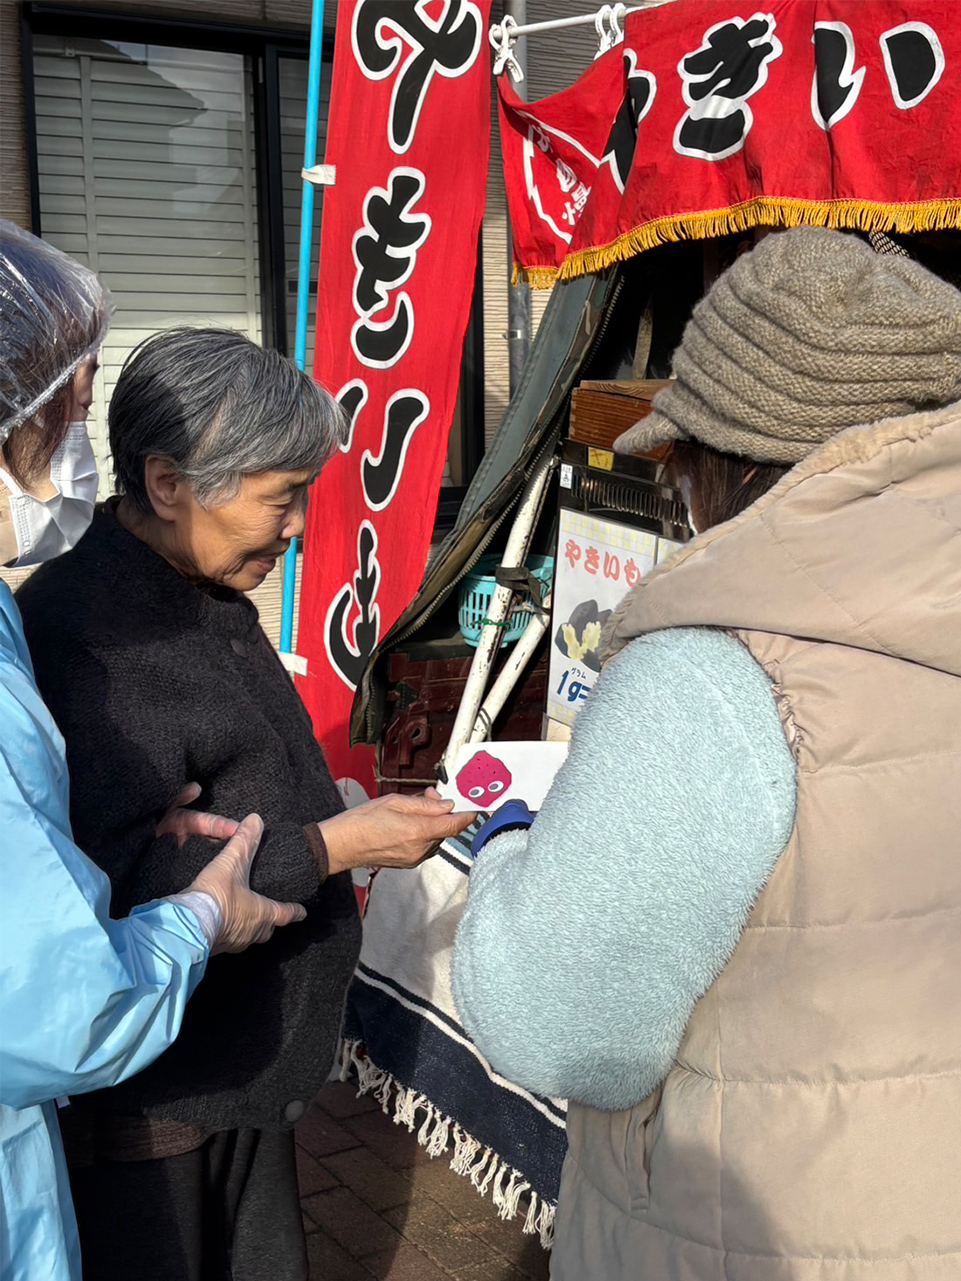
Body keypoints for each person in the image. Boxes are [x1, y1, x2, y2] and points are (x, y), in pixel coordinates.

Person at [451, 227, 961, 1279]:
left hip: (766, 1229)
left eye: (682, 463)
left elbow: (557, 1026)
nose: (678, 496)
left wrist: (507, 852)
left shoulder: (715, 672)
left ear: (734, 459)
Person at [15, 323, 473, 1280]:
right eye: (282, 497)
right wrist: (333, 843)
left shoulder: (197, 589)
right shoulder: (89, 637)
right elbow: (86, 911)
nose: (299, 523)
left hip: (236, 1063)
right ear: (169, 483)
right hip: (157, 1101)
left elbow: (205, 809)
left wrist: (314, 811)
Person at [0, 224, 309, 1281]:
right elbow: (65, 999)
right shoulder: (84, 620)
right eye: (58, 420)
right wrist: (198, 913)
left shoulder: (42, 611)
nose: (69, 457)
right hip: (133, 1085)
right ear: (170, 481)